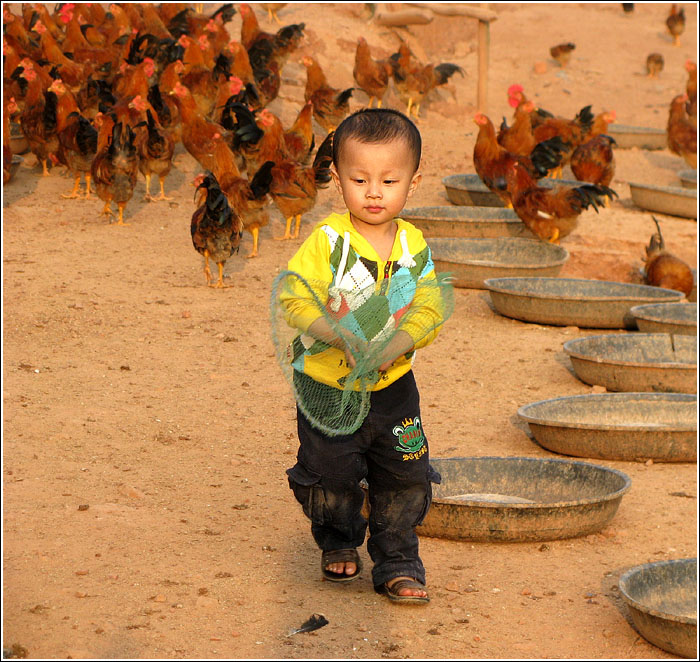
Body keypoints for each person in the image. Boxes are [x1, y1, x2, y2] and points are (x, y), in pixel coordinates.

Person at [277, 108, 451, 604]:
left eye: (389, 180)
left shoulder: (413, 245)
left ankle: (397, 559)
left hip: (393, 387)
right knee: (330, 474)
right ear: (336, 179)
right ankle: (339, 536)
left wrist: (397, 344)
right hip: (327, 386)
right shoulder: (329, 242)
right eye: (359, 178)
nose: (374, 192)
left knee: (405, 473)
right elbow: (294, 298)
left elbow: (430, 306)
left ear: (412, 184)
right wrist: (337, 335)